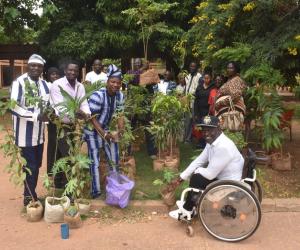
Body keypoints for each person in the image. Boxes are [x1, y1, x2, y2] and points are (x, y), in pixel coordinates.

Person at [168, 116, 244, 219]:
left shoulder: (224, 147)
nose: (206, 133)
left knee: (197, 178)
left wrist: (196, 172)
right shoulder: (212, 142)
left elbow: (210, 174)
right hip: (222, 176)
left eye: (210, 130)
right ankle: (190, 206)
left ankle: (188, 210)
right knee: (197, 176)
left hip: (229, 182)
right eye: (204, 130)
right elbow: (199, 160)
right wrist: (181, 178)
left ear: (218, 128)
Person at [10, 54, 50, 206]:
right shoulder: (19, 83)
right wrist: (35, 116)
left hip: (39, 135)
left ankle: (31, 193)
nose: (35, 68)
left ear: (42, 69)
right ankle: (28, 197)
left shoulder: (45, 84)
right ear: (28, 66)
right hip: (24, 135)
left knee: (37, 165)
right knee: (30, 166)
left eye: (39, 66)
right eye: (33, 65)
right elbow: (13, 106)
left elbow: (49, 105)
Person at [83, 64, 124, 199]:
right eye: (113, 82)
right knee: (94, 160)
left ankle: (114, 188)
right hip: (92, 130)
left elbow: (120, 114)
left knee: (114, 157)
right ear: (107, 82)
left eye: (118, 83)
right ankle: (96, 192)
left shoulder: (120, 96)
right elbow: (91, 118)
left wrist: (120, 131)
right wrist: (104, 134)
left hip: (105, 128)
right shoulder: (98, 95)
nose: (115, 85)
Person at [50, 61, 91, 189]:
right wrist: (77, 113)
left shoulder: (80, 86)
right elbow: (59, 107)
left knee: (67, 153)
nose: (73, 72)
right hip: (61, 125)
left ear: (78, 72)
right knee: (66, 154)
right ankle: (67, 185)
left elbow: (83, 103)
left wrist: (87, 114)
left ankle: (62, 183)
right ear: (65, 71)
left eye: (75, 71)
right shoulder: (57, 85)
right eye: (70, 70)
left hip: (75, 125)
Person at [194, 72, 215, 148]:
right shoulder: (199, 87)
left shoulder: (212, 87)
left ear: (210, 79)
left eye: (208, 78)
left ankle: (207, 144)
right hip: (199, 111)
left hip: (208, 111)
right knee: (200, 128)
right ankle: (200, 143)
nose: (206, 80)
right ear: (203, 78)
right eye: (205, 78)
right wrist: (196, 113)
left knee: (207, 127)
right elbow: (196, 100)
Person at [46, 67, 60, 176]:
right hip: (51, 119)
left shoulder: (60, 85)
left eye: (56, 74)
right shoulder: (47, 86)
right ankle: (51, 170)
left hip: (61, 118)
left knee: (60, 144)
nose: (54, 76)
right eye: (52, 74)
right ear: (48, 76)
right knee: (52, 143)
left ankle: (59, 170)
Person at [183, 62, 202, 143]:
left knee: (195, 120)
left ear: (196, 67)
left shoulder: (199, 77)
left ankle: (197, 139)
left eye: (194, 66)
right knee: (187, 120)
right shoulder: (188, 76)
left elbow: (199, 89)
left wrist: (192, 94)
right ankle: (187, 139)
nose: (192, 68)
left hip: (195, 101)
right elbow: (186, 87)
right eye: (191, 66)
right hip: (187, 101)